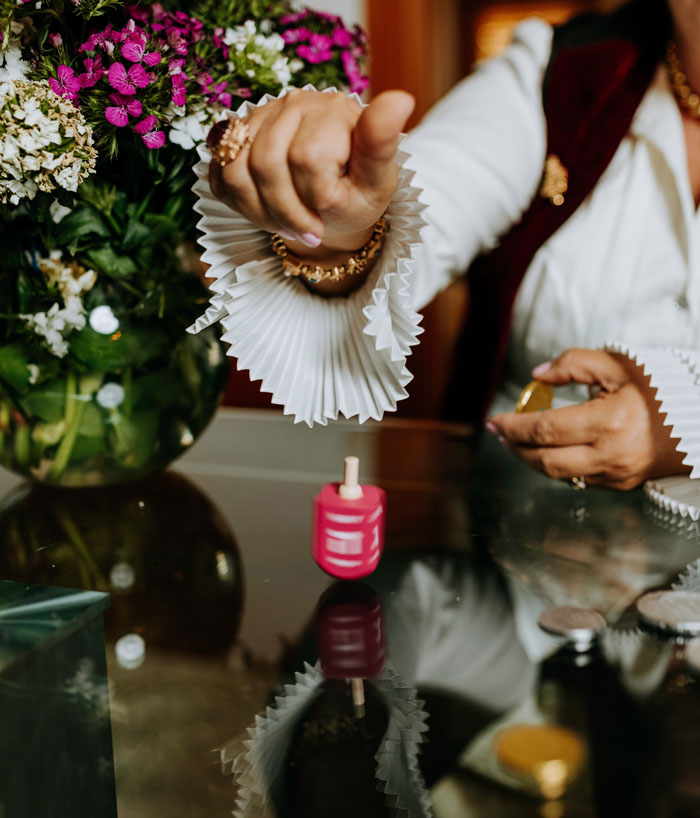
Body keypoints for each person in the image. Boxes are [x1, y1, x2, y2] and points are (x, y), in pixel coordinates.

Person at [189, 0, 700, 492]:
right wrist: (343, 227)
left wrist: (685, 425)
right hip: (516, 541)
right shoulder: (565, 72)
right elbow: (424, 213)